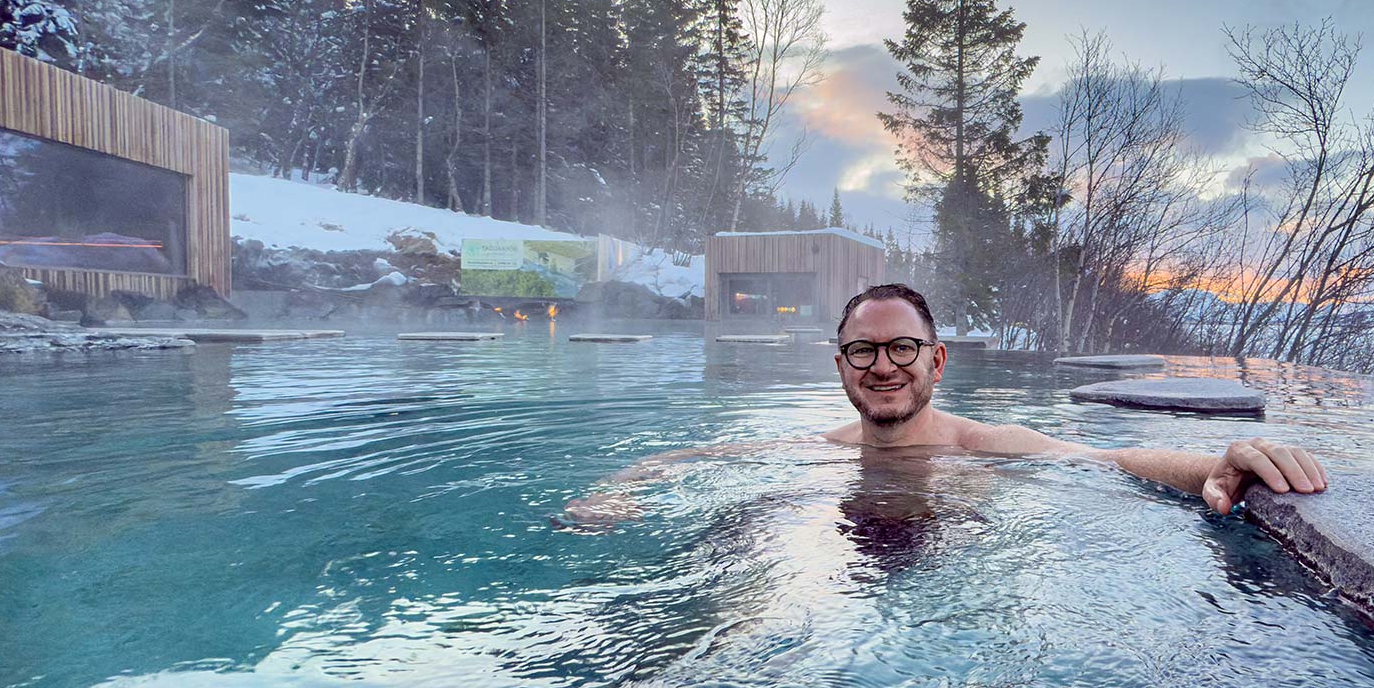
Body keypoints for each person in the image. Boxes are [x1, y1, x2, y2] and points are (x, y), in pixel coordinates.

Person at [561, 283, 1326, 526]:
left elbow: (1109, 459)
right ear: (841, 365)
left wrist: (1211, 466)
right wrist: (623, 484)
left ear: (937, 359)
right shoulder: (819, 451)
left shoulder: (983, 443)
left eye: (903, 348)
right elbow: (692, 459)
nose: (884, 365)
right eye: (865, 350)